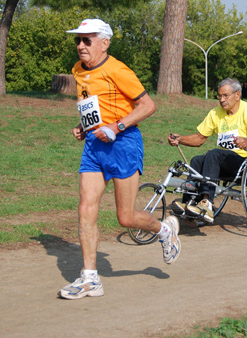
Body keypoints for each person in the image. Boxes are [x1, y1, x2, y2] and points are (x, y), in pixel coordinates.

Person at [59, 19, 181, 300]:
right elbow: (91, 104)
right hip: (94, 146)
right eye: (78, 40)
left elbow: (148, 105)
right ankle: (90, 279)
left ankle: (164, 230)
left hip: (123, 144)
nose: (80, 46)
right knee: (85, 208)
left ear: (104, 42)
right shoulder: (78, 70)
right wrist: (84, 126)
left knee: (125, 217)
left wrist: (116, 127)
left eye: (86, 40)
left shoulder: (118, 69)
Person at [167, 78, 247, 224]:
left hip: (245, 164)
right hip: (224, 162)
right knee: (197, 160)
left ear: (237, 95)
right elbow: (199, 138)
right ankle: (189, 205)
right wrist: (180, 139)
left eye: (225, 96)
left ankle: (207, 204)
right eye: (219, 96)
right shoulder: (215, 113)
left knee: (214, 154)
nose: (222, 100)